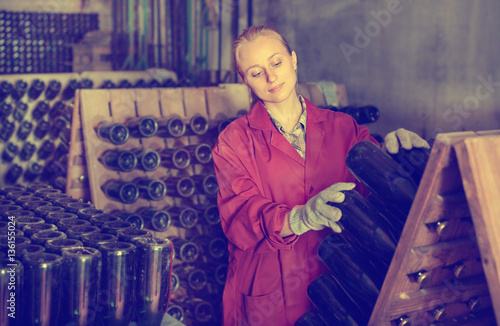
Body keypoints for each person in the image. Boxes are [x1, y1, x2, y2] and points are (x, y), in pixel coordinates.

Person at [212, 25, 429, 326]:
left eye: (276, 62)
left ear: (293, 59)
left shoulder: (345, 128)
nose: (271, 77)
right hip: (270, 296)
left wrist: (398, 156)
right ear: (244, 81)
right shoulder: (233, 141)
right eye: (256, 72)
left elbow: (377, 194)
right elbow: (239, 216)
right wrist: (299, 218)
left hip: (339, 286)